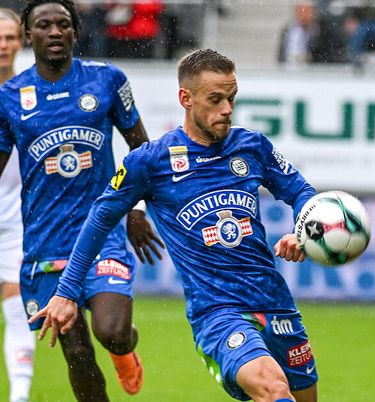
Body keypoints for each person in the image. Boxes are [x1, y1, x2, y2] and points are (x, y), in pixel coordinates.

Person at [31, 48, 320, 402]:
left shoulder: (252, 146)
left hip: (276, 303)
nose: (227, 109)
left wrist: (302, 228)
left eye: (231, 97)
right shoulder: (150, 162)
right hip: (218, 313)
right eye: (215, 99)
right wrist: (65, 292)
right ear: (186, 98)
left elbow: (301, 191)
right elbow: (101, 217)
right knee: (273, 389)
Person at [0, 0, 163, 400]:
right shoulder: (10, 98)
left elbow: (141, 149)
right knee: (77, 354)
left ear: (75, 30)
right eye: (44, 25)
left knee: (112, 332)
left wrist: (137, 209)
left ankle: (124, 349)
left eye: (63, 24)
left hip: (101, 233)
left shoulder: (106, 80)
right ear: (28, 35)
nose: (54, 32)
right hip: (44, 243)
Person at [0, 9, 34, 402]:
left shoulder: (30, 91)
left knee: (15, 310)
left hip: (17, 219)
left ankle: (19, 396)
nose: (5, 45)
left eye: (11, 37)